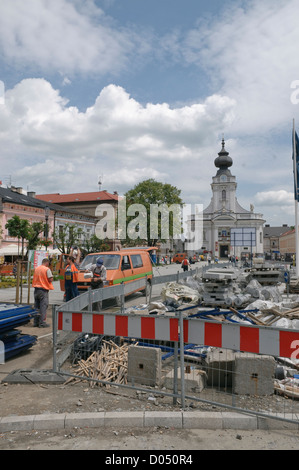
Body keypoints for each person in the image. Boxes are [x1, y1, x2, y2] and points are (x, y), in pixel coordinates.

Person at [32, 258, 54, 327]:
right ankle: (42, 323)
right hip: (43, 290)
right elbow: (50, 279)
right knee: (43, 306)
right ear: (47, 262)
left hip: (36, 290)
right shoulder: (46, 269)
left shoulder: (37, 269)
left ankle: (35, 322)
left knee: (37, 306)